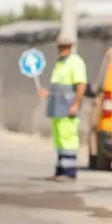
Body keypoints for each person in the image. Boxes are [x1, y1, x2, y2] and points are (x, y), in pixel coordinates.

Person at [38, 33, 88, 181]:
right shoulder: (60, 63)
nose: (63, 49)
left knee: (68, 139)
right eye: (61, 46)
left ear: (71, 47)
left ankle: (69, 172)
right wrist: (47, 93)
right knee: (59, 139)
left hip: (67, 108)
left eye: (65, 46)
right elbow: (58, 87)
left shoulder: (75, 62)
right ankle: (60, 170)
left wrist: (76, 104)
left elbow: (81, 85)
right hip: (57, 108)